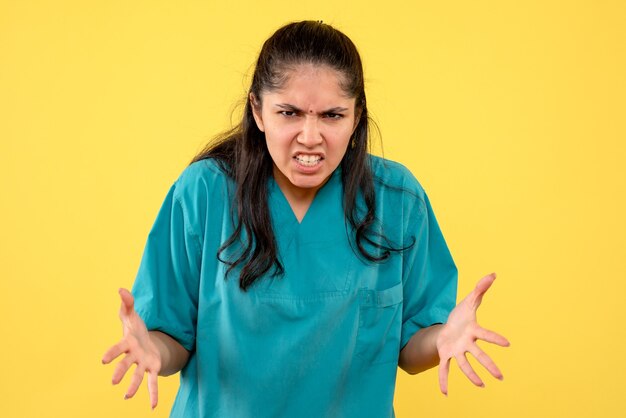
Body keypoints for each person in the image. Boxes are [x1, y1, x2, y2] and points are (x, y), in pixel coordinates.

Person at [102, 20, 509, 417]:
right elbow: (173, 336)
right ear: (258, 112)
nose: (310, 136)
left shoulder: (397, 198)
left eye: (332, 115)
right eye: (289, 113)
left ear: (356, 117)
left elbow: (411, 346)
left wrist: (441, 339)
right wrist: (152, 349)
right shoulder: (204, 193)